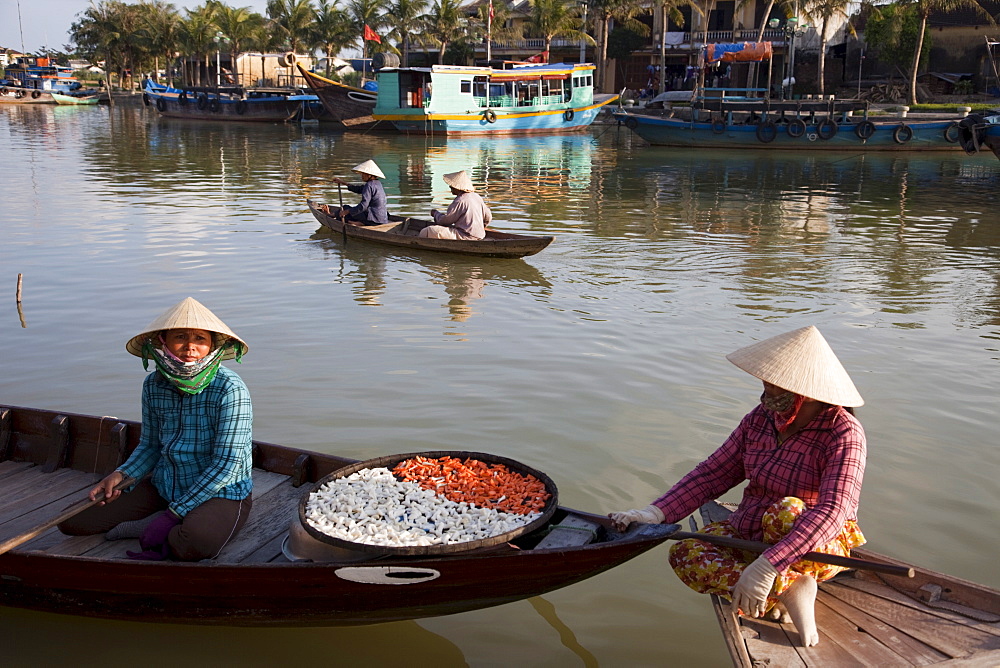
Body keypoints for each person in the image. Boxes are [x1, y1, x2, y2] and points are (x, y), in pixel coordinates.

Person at [609, 326, 866, 648]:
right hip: (750, 531)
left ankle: (778, 577)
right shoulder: (760, 419)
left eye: (776, 384)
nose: (766, 389)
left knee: (785, 512)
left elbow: (834, 510)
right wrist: (653, 513)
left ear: (809, 392)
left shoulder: (843, 433)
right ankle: (789, 591)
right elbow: (714, 472)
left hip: (814, 544)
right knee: (685, 552)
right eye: (767, 381)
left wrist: (770, 563)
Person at [59, 297, 254, 562]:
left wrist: (173, 514)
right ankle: (159, 519)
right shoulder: (154, 385)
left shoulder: (230, 389)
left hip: (220, 490)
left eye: (200, 339)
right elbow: (151, 444)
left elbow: (227, 464)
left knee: (195, 543)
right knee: (72, 521)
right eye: (180, 337)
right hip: (167, 484)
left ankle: (160, 524)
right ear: (163, 341)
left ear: (211, 346)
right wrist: (121, 474)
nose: (190, 347)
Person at [418, 170, 491, 240]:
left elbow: (445, 221)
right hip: (480, 235)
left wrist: (435, 214)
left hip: (465, 236)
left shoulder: (459, 201)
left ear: (458, 188)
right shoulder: (476, 196)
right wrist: (481, 227)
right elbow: (488, 217)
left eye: (452, 187)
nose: (450, 188)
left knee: (428, 230)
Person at [332, 159, 388, 226]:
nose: (362, 176)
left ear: (369, 175)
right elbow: (358, 189)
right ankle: (359, 222)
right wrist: (343, 182)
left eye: (363, 174)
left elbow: (363, 206)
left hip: (373, 218)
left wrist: (347, 211)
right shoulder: (377, 183)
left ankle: (332, 215)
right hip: (382, 218)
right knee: (349, 210)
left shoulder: (369, 185)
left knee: (345, 209)